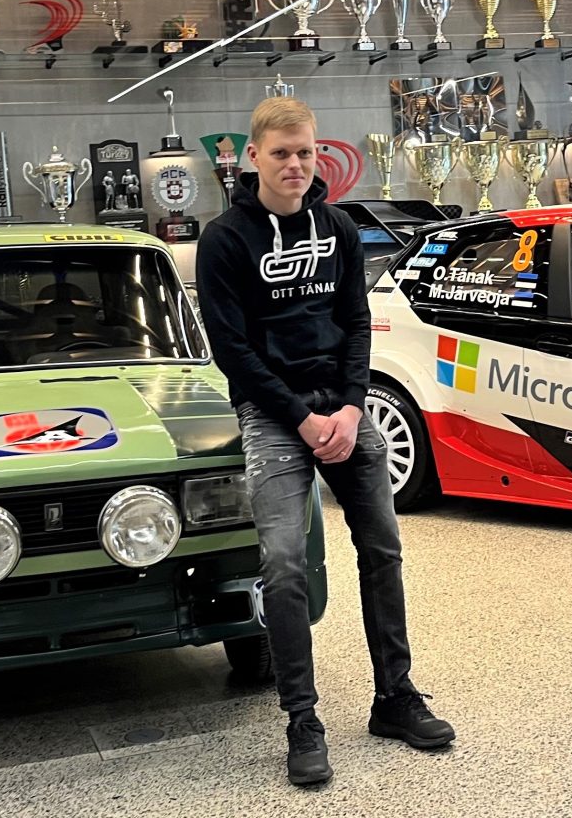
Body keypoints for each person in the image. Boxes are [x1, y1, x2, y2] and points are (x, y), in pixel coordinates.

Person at [196, 97, 454, 787]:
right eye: (282, 153)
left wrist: (349, 406)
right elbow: (232, 350)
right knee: (284, 565)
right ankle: (302, 721)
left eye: (305, 152)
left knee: (383, 549)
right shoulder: (224, 239)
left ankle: (394, 697)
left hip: (341, 409)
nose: (296, 165)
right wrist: (302, 419)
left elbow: (356, 322)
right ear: (254, 157)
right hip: (272, 414)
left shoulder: (337, 227)